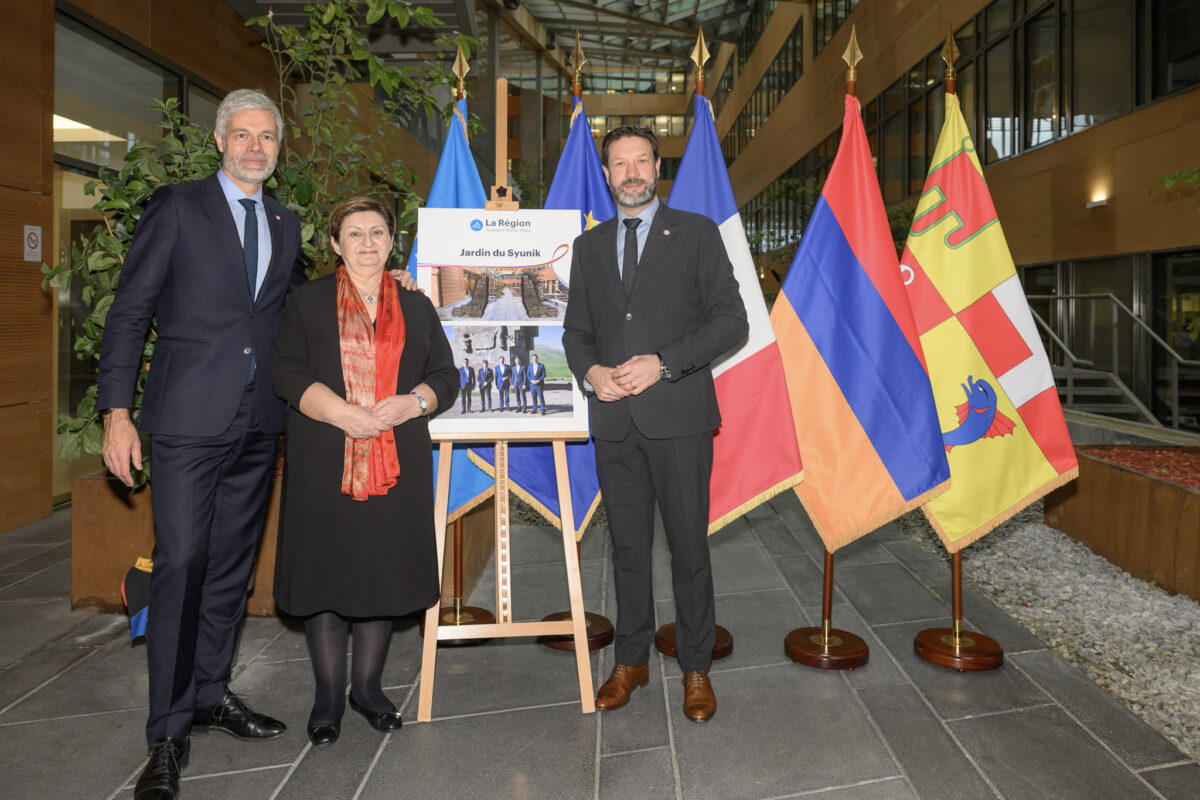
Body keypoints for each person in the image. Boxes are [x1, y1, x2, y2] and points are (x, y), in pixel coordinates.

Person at [97, 89, 302, 800]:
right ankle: (166, 732)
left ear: (279, 147)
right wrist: (116, 413)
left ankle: (212, 692)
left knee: (231, 568)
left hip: (258, 424)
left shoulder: (287, 220)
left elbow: (289, 317)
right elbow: (129, 313)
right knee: (181, 562)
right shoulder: (178, 207)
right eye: (242, 135)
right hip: (186, 421)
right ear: (220, 141)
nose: (255, 147)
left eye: (267, 136)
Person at [562, 126, 747, 724]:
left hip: (679, 418)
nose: (632, 172)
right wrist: (591, 370)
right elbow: (575, 332)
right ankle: (631, 662)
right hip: (615, 422)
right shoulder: (588, 248)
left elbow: (731, 322)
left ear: (657, 168)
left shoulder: (696, 234)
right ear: (608, 174)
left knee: (689, 547)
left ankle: (696, 666)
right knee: (627, 550)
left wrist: (663, 364)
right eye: (620, 164)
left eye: (642, 160)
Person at [271, 195, 457, 748]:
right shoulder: (306, 302)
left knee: (380, 574)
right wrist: (342, 413)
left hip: (396, 462)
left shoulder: (417, 304)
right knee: (327, 574)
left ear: (393, 240)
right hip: (325, 459)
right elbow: (284, 370)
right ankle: (328, 695)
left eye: (378, 232)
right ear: (335, 244)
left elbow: (446, 375)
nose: (368, 243)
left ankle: (368, 689)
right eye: (355, 233)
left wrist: (413, 403)